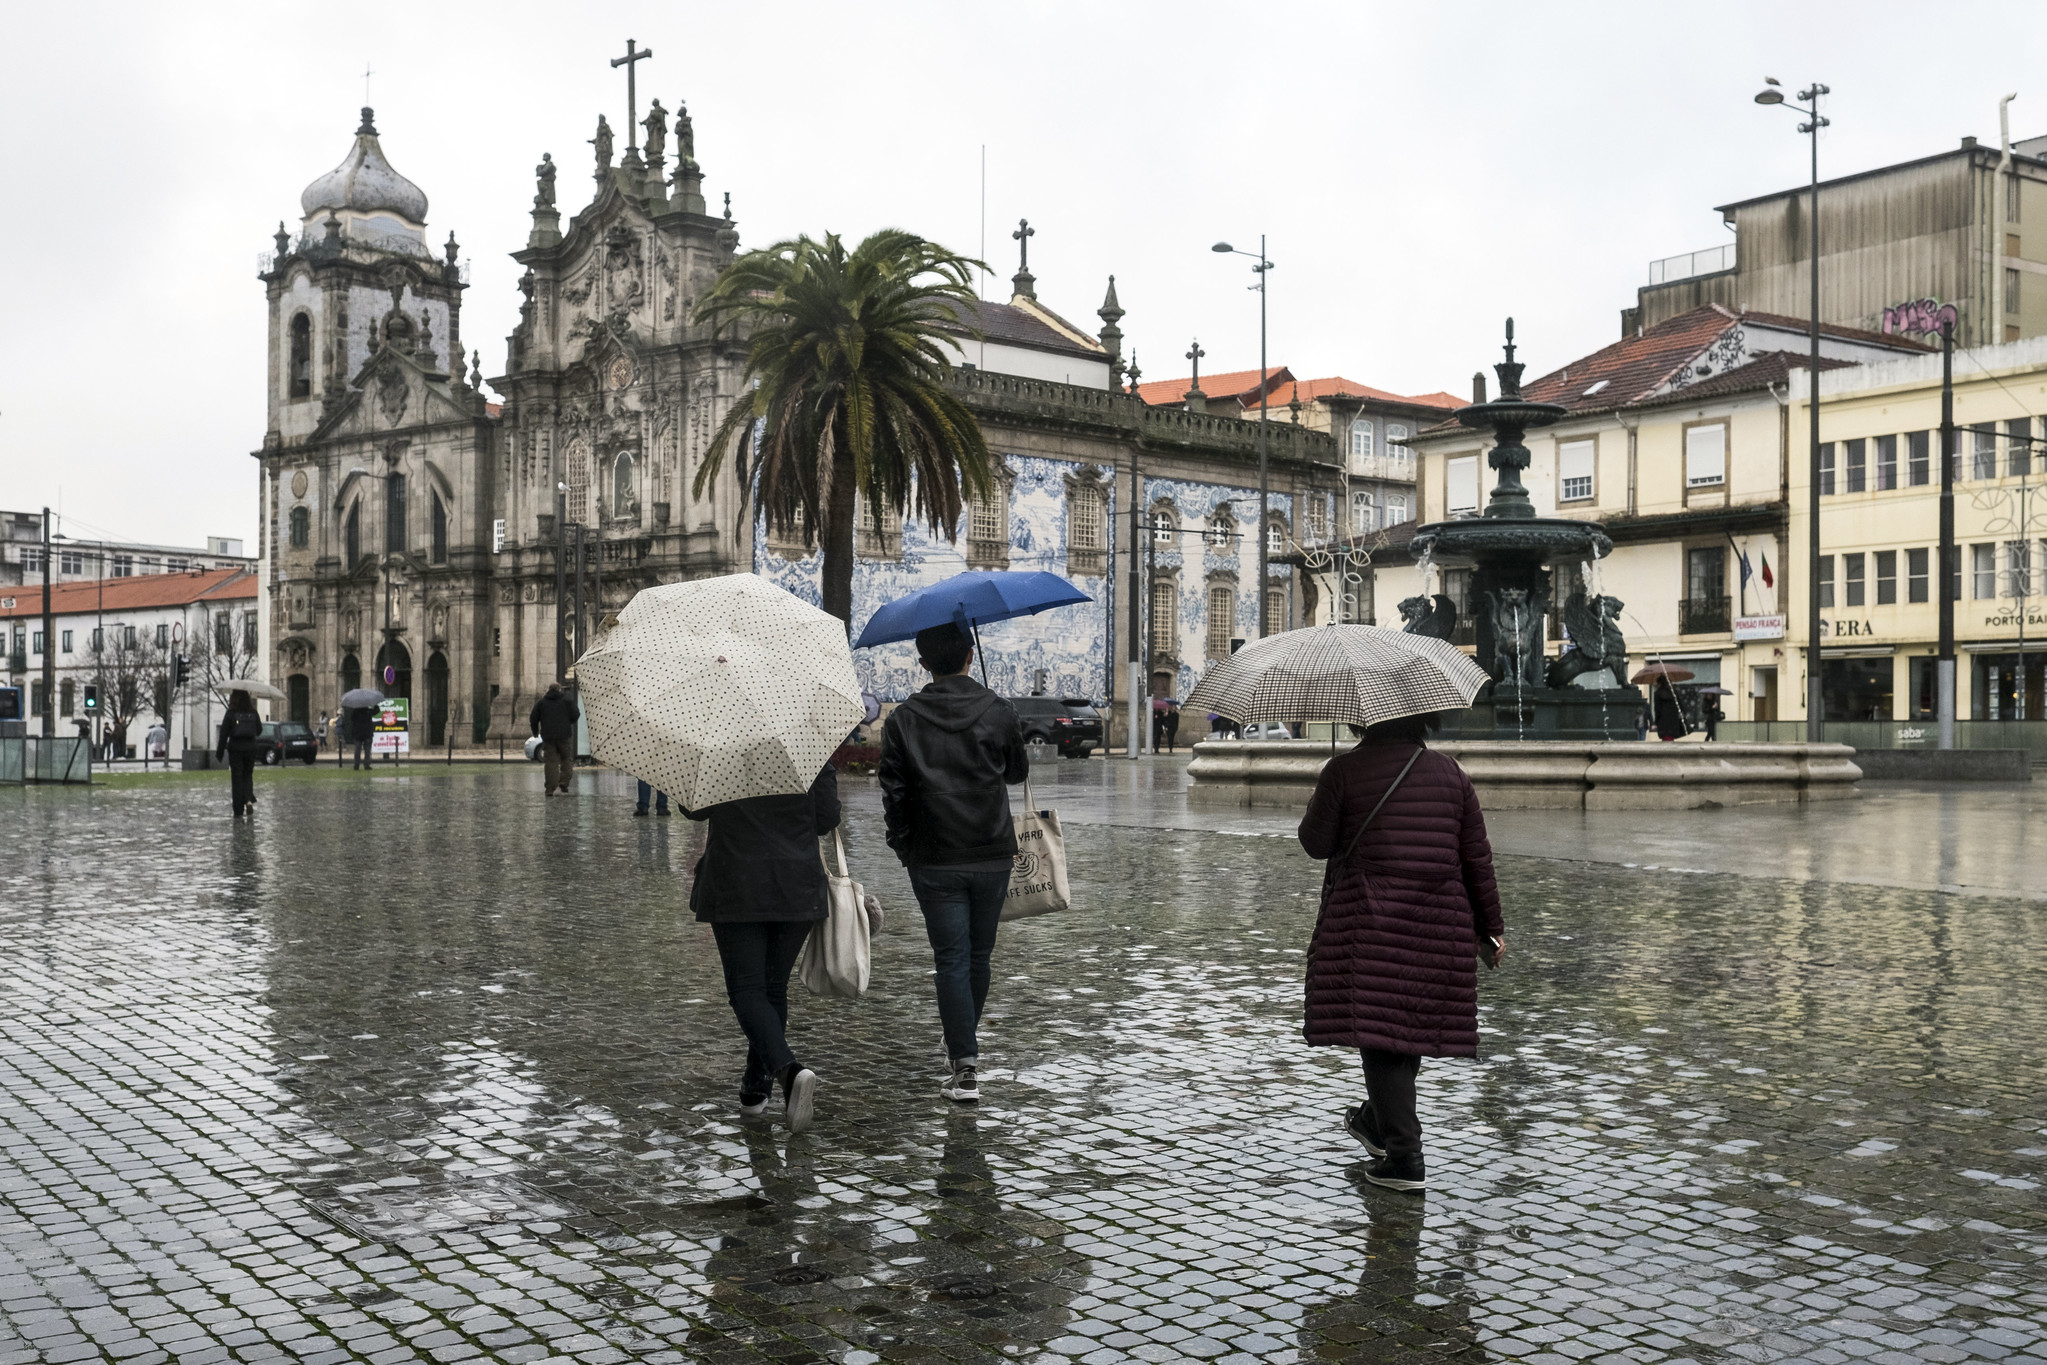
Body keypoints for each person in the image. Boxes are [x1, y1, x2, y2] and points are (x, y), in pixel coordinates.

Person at [1296, 711, 1505, 1193]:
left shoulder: (1344, 771)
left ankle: (1406, 1158)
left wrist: (1327, 790)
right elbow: (1476, 857)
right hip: (1441, 922)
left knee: (1382, 1032)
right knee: (1404, 1024)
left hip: (1368, 920)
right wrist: (1489, 929)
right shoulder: (1452, 775)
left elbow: (1315, 843)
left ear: (1363, 720)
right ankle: (1376, 1119)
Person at [878, 622, 1029, 1103]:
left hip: (934, 857)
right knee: (978, 955)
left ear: (924, 664)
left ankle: (964, 1065)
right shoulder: (998, 709)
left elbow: (894, 793)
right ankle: (962, 1040)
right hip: (991, 853)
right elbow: (1017, 774)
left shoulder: (902, 719)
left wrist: (903, 845)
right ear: (969, 655)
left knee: (951, 959)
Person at [687, 763, 840, 1132]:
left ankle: (789, 1073)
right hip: (797, 884)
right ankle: (755, 1092)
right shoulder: (809, 750)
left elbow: (693, 808)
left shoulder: (721, 750)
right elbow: (826, 818)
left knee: (746, 990)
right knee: (771, 989)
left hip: (737, 882)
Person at [215, 689, 266, 818]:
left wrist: (220, 752)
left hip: (236, 749)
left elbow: (223, 734)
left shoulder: (231, 713)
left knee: (237, 778)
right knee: (248, 775)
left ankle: (238, 809)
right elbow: (259, 730)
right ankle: (248, 800)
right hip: (250, 749)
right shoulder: (253, 712)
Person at [529, 682, 580, 795]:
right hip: (564, 735)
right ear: (559, 690)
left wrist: (535, 731)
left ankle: (550, 788)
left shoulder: (542, 702)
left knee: (551, 762)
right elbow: (576, 714)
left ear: (549, 690)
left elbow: (533, 717)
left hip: (548, 736)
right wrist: (568, 722)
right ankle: (564, 783)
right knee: (566, 759)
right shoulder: (567, 701)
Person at [1652, 675, 1685, 742]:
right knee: (1670, 741)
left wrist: (1656, 721)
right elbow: (1681, 706)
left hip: (1663, 723)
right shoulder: (1674, 693)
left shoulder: (1658, 694)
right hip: (1674, 722)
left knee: (1666, 742)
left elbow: (1657, 709)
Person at [345, 704, 374, 769]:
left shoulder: (356, 711)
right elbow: (377, 711)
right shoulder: (368, 711)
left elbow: (352, 718)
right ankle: (366, 765)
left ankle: (356, 765)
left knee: (357, 750)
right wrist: (375, 705)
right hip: (367, 733)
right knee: (367, 750)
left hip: (358, 733)